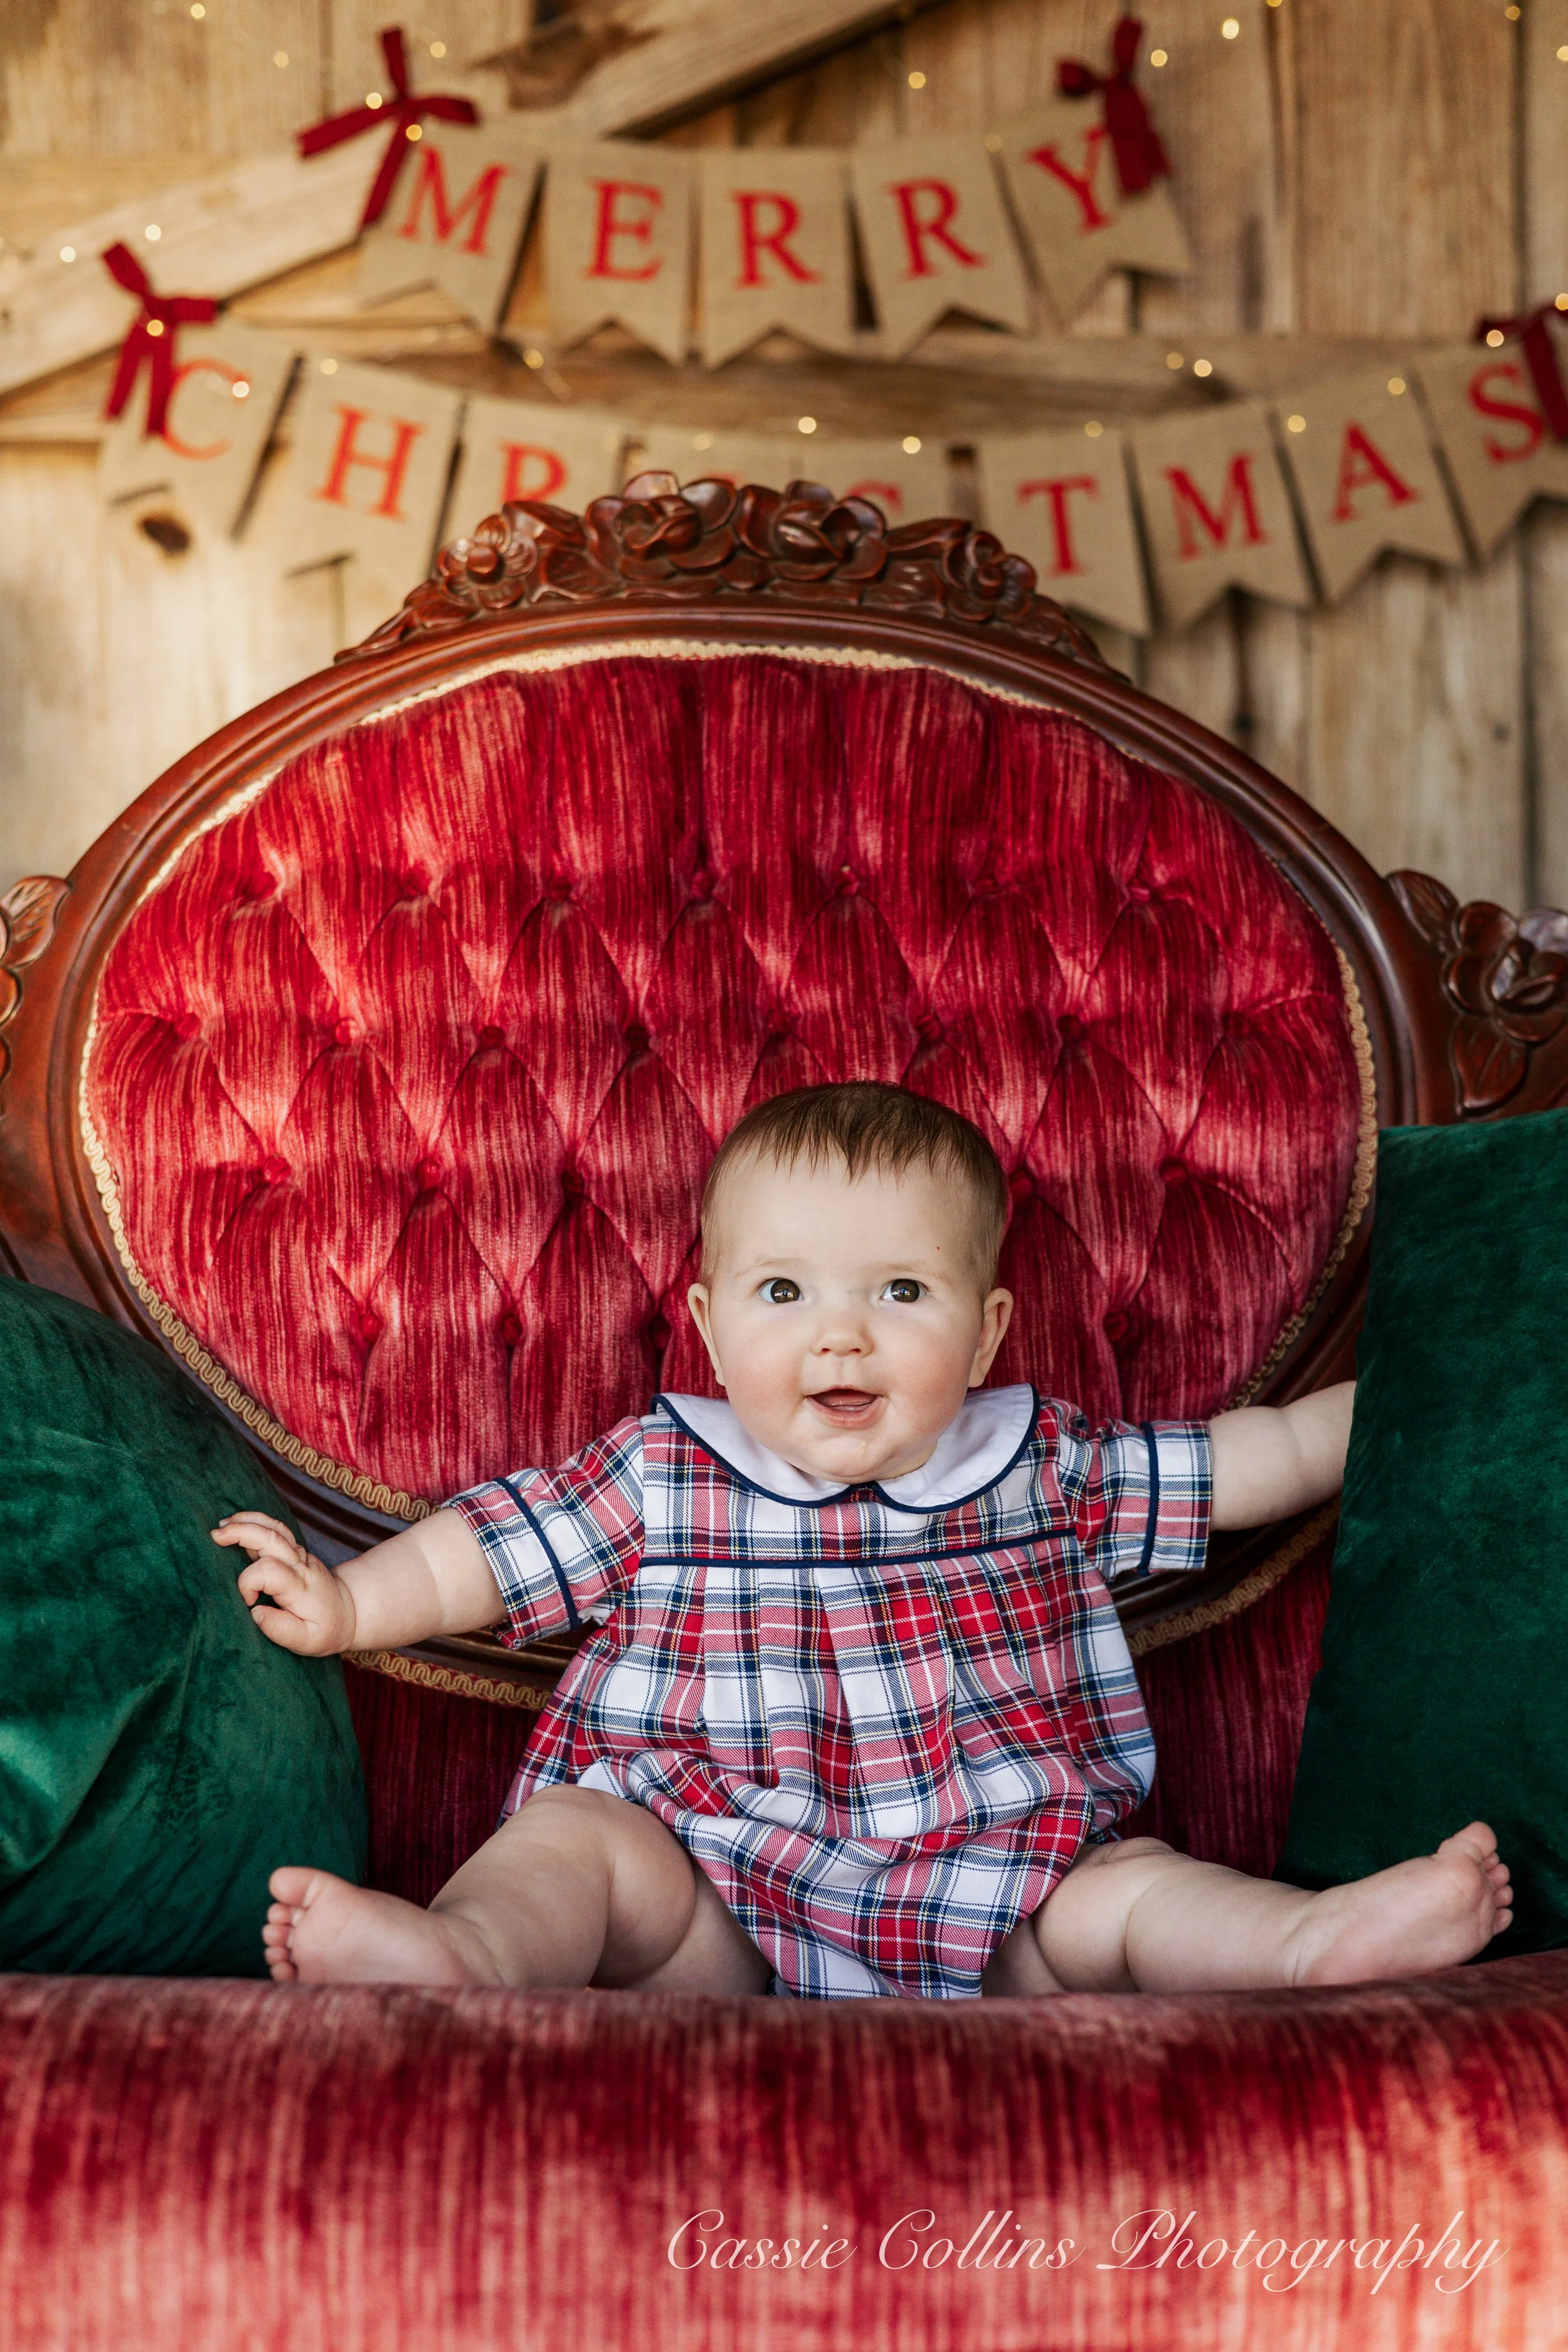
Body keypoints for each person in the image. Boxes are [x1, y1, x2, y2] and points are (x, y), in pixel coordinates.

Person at [215, 1082, 1512, 2000]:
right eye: (785, 1294)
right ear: (713, 1332)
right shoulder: (663, 1472)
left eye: (900, 1292)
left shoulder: (1038, 1462)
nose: (841, 1335)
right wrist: (345, 1605)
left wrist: (1424, 1389)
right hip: (708, 1897)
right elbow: (483, 1555)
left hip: (1003, 1897)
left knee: (1131, 1895)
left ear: (987, 1332)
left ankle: (1303, 1949)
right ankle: (468, 1961)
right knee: (575, 1846)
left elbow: (1250, 1460)